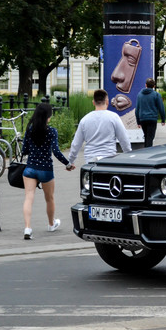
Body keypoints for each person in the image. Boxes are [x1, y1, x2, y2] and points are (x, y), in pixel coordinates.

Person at [21, 103, 75, 240]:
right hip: (45, 169)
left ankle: (27, 228)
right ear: (48, 117)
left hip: (30, 168)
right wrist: (68, 164)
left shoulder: (30, 129)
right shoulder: (52, 131)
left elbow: (24, 150)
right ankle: (51, 224)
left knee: (28, 197)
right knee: (49, 198)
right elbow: (56, 152)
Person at [69, 89, 132, 164]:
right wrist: (128, 155)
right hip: (109, 159)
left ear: (93, 103)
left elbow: (76, 143)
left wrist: (71, 161)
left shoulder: (84, 120)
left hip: (90, 160)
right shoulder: (113, 117)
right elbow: (124, 139)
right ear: (107, 102)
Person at [135, 78, 166, 147]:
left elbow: (137, 109)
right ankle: (148, 153)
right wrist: (163, 119)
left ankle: (146, 151)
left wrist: (138, 121)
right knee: (150, 138)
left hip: (143, 119)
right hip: (152, 119)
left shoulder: (140, 95)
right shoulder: (156, 95)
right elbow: (161, 108)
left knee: (146, 137)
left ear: (145, 85)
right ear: (154, 86)